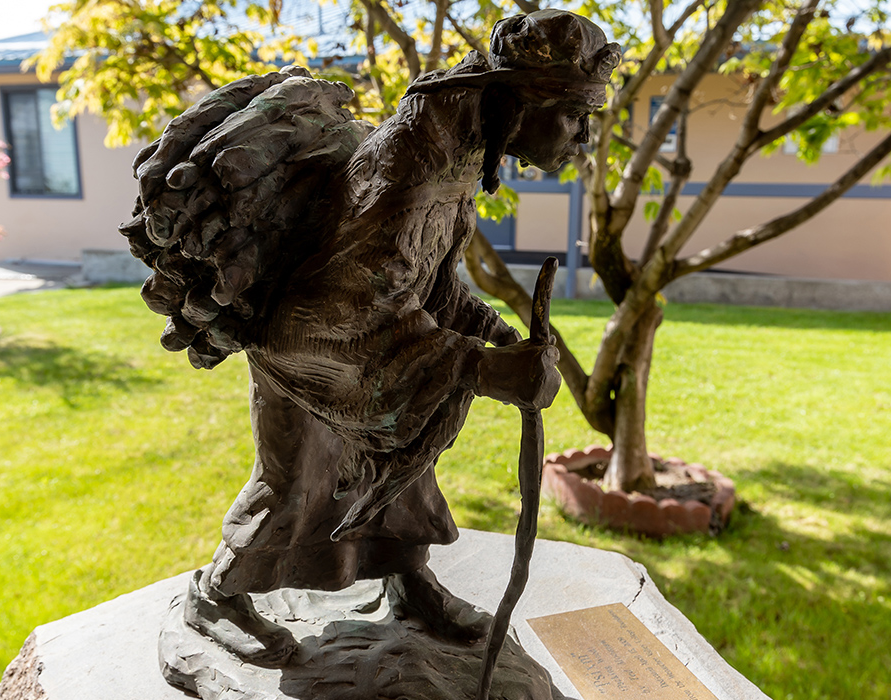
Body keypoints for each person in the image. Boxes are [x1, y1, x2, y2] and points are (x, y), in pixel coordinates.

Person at [141, 9, 621, 668]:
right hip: (302, 346)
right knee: (298, 482)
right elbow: (342, 309)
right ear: (520, 102)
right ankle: (216, 597)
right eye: (575, 115)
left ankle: (407, 581)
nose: (586, 137)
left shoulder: (456, 152)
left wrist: (496, 339)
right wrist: (480, 369)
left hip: (358, 340)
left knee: (403, 473)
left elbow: (427, 286)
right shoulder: (408, 170)